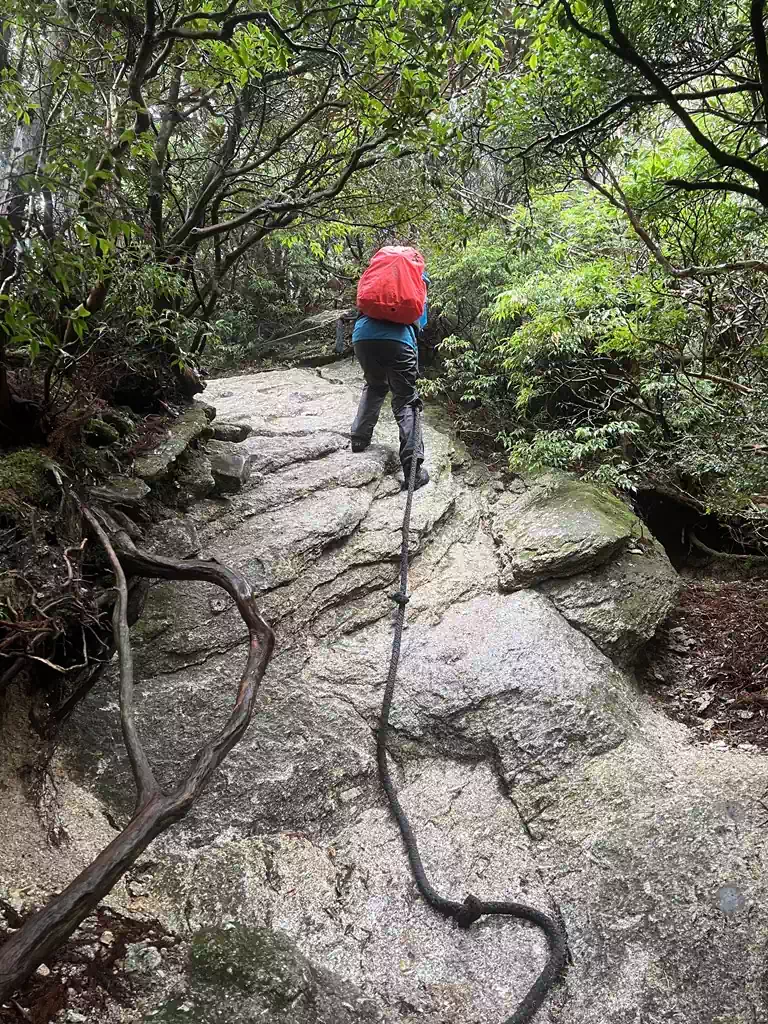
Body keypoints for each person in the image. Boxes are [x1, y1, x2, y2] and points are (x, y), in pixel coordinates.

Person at [349, 270, 430, 491]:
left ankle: (359, 439)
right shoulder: (417, 284)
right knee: (405, 400)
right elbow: (420, 323)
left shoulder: (378, 281)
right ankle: (412, 471)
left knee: (375, 385)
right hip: (398, 342)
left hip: (363, 338)